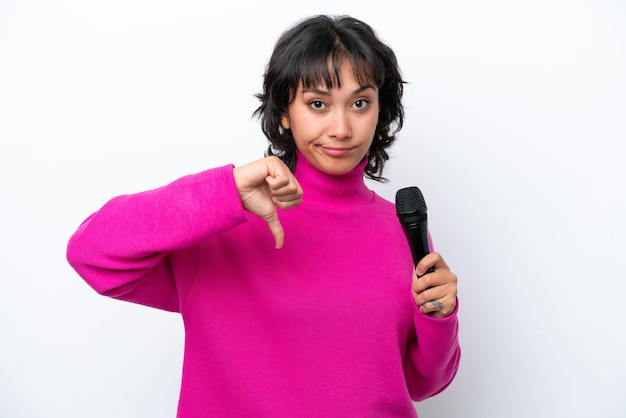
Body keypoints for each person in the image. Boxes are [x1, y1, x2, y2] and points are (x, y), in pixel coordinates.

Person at [66, 14, 460, 417]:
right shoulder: (221, 222)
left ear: (381, 109)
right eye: (318, 104)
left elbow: (422, 382)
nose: (342, 128)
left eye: (360, 103)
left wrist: (440, 318)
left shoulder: (402, 228)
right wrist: (227, 192)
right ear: (285, 113)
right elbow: (91, 254)